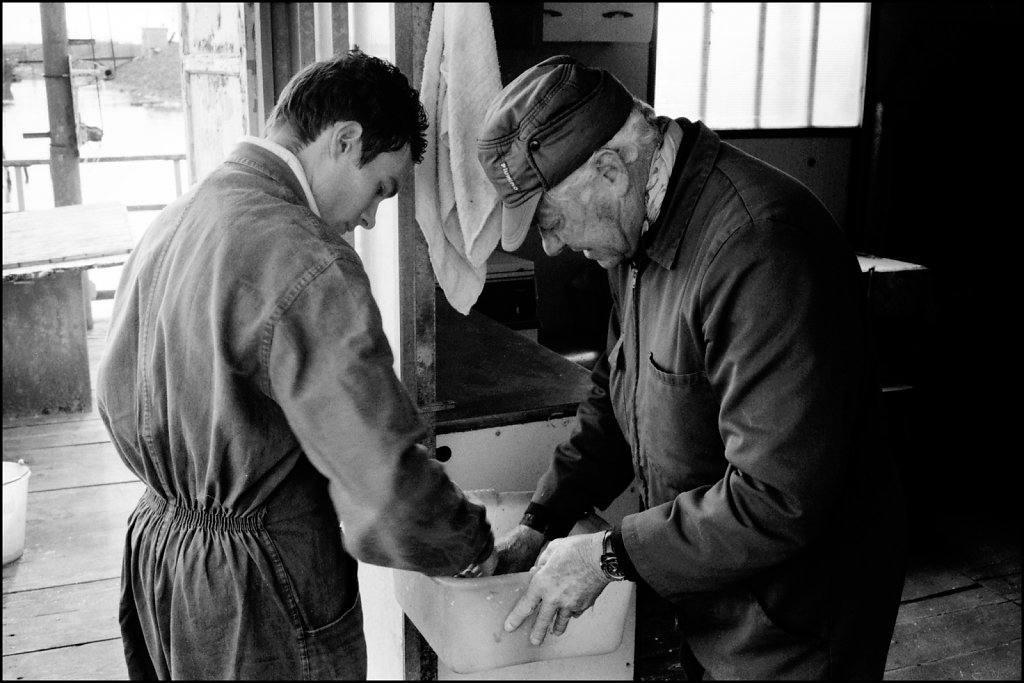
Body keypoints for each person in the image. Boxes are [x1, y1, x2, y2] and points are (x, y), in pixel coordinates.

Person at [475, 55, 907, 680]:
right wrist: (543, 521)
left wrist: (609, 555)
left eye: (549, 219)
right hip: (714, 597)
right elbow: (614, 392)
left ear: (609, 170)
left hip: (793, 621)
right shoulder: (636, 231)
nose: (549, 245)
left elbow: (778, 497)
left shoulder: (760, 248)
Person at [96, 49, 494, 680]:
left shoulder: (176, 220)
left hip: (162, 558)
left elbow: (114, 397)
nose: (366, 218)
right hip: (259, 591)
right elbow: (382, 478)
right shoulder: (304, 257)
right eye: (380, 190)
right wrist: (472, 549)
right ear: (344, 140)